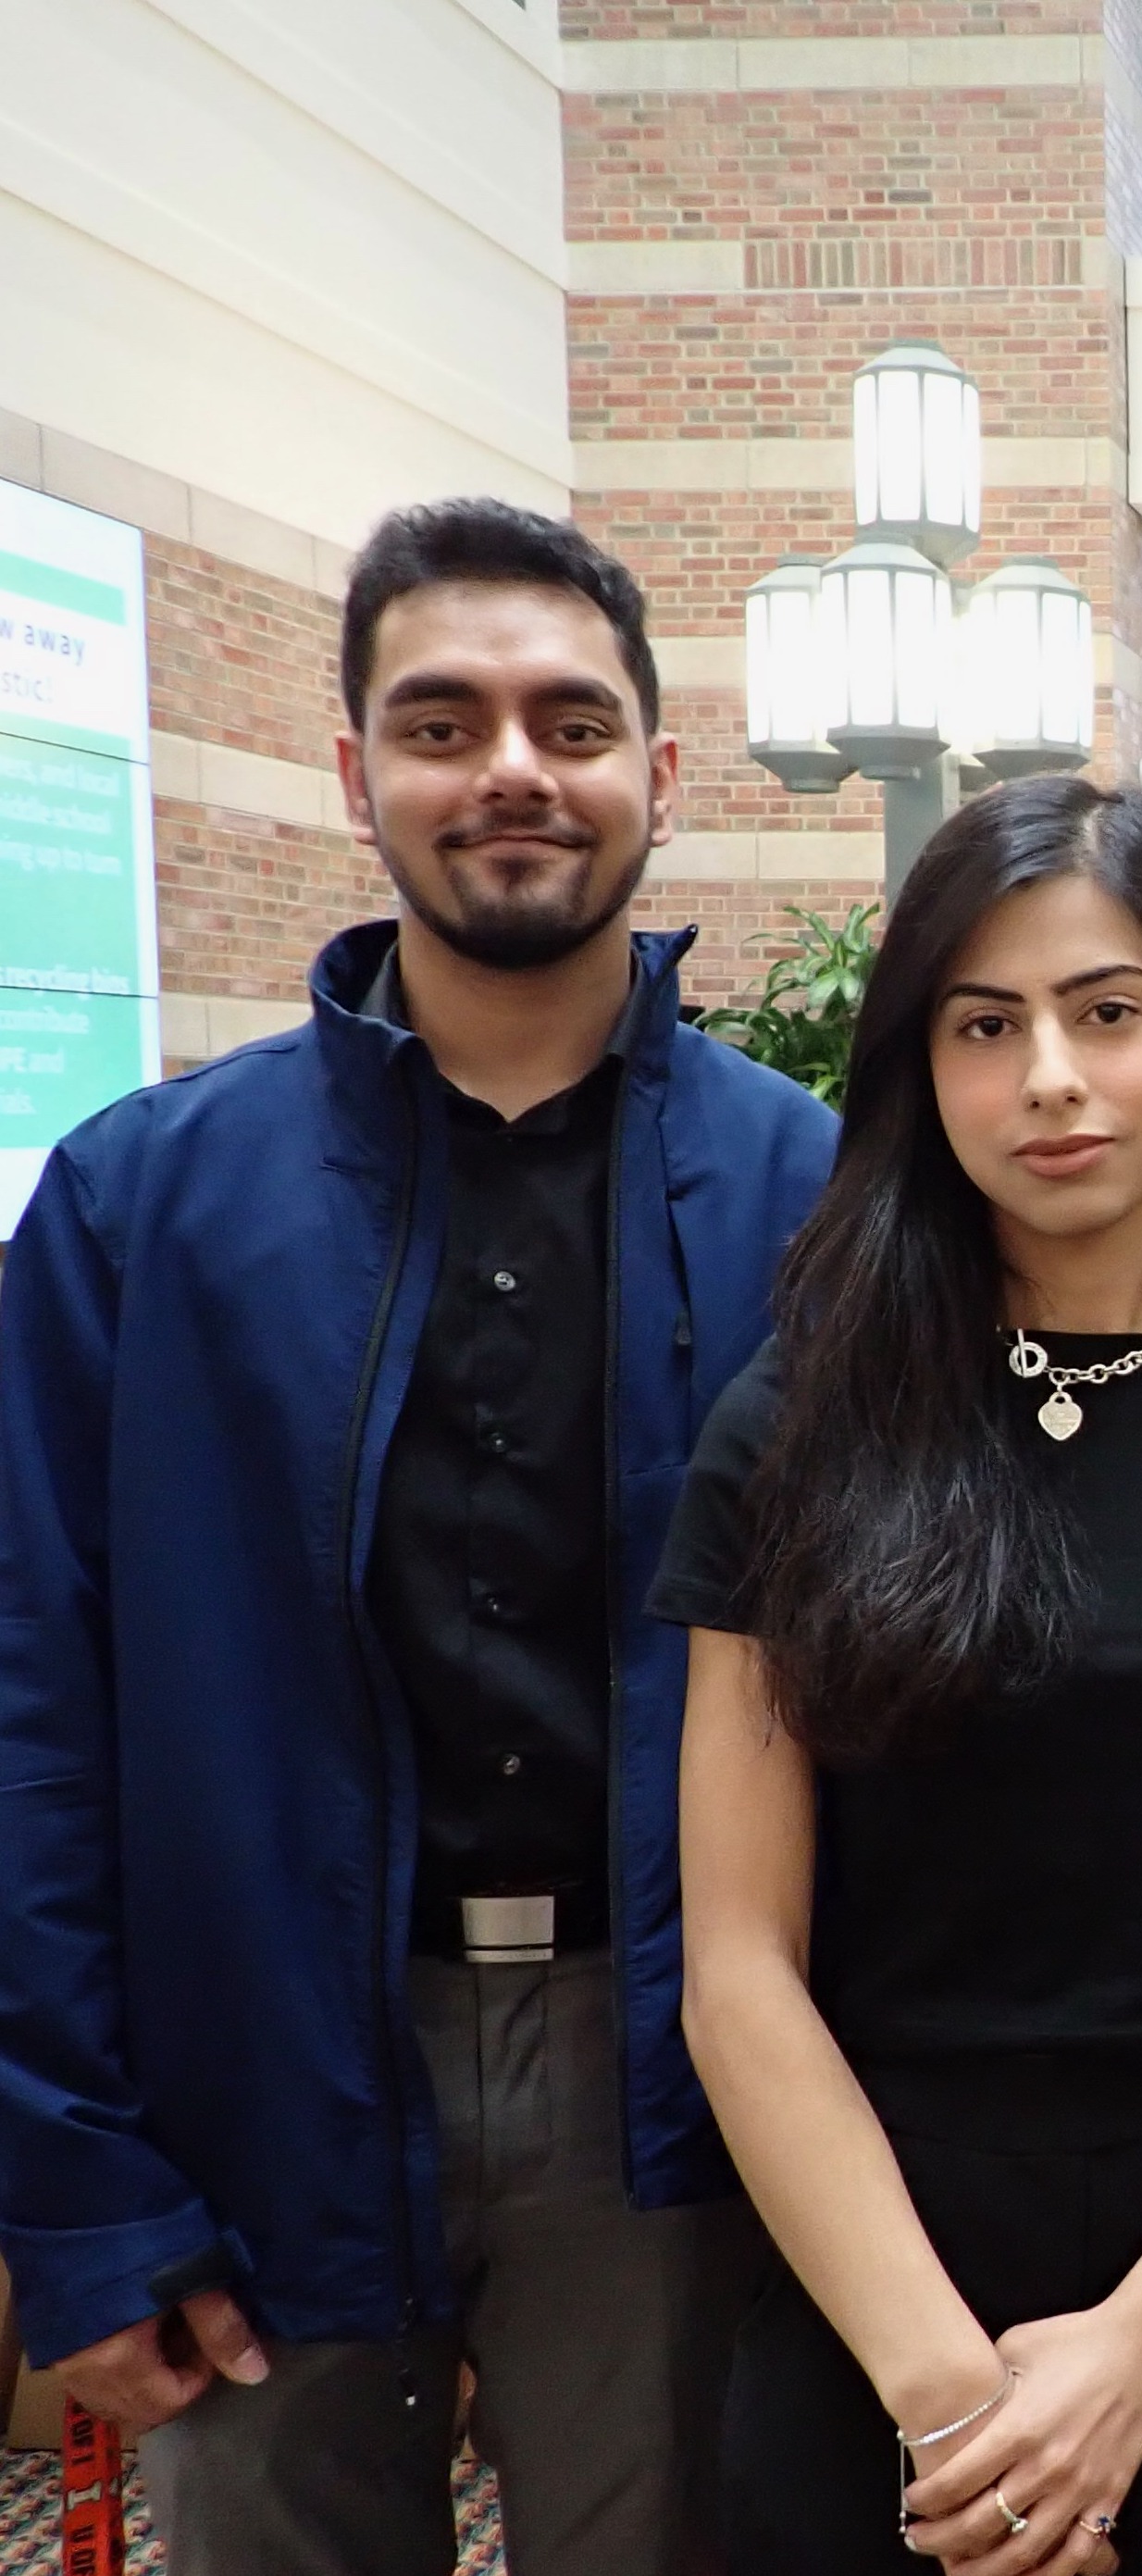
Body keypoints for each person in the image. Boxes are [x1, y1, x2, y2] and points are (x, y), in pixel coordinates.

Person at [0, 499, 836, 2574]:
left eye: (571, 720)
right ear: (356, 771)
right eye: (443, 721)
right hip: (268, 2041)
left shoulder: (812, 1196)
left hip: (674, 2056)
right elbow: (30, 1704)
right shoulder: (141, 1207)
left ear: (662, 770)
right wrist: (75, 2181)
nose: (514, 771)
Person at [655, 775, 1142, 2570]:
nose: (1050, 1081)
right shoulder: (792, 1434)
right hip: (867, 2284)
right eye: (984, 1026)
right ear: (919, 1074)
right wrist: (956, 2406)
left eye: (1106, 1014)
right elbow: (735, 1968)